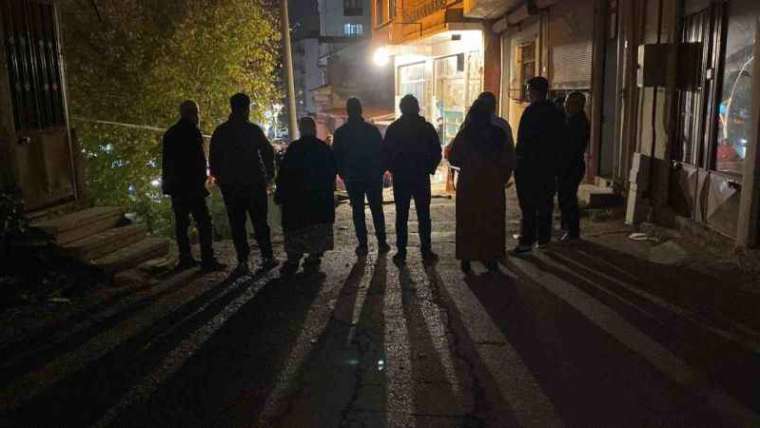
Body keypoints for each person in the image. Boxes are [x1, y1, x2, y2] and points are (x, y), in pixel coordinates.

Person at [209, 93, 277, 274]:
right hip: (254, 183)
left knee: (237, 224)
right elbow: (267, 152)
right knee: (260, 222)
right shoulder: (252, 130)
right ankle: (267, 257)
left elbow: (213, 160)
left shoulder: (220, 132)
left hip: (231, 187)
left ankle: (243, 261)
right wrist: (269, 175)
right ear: (247, 109)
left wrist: (221, 180)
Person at [448, 100, 515, 274]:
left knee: (468, 219)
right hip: (492, 182)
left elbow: (454, 157)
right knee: (491, 218)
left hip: (469, 182)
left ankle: (467, 257)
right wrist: (502, 177)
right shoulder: (498, 133)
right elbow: (508, 157)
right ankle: (491, 256)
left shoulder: (465, 134)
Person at [161, 101, 226, 273]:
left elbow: (166, 164)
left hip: (177, 187)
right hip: (192, 186)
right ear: (193, 114)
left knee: (181, 224)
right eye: (196, 113)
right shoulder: (193, 132)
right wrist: (203, 182)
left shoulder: (171, 133)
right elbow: (198, 161)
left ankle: (185, 258)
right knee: (204, 222)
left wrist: (168, 186)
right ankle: (208, 259)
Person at [382, 94, 442, 265]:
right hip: (421, 177)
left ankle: (401, 252)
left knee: (401, 215)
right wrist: (429, 169)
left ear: (402, 109)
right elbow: (436, 152)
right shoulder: (426, 128)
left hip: (402, 178)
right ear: (417, 108)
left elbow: (385, 153)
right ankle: (426, 250)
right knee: (424, 215)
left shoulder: (394, 128)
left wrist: (394, 169)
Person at [274, 117, 337, 275]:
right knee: (317, 229)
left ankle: (294, 258)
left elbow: (284, 174)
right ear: (314, 129)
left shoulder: (294, 149)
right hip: (319, 199)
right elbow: (331, 172)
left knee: (296, 229)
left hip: (297, 201)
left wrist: (280, 193)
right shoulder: (323, 148)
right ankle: (314, 256)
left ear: (301, 130)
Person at [513, 77, 566, 255]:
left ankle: (526, 242)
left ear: (534, 91)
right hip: (549, 167)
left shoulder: (531, 112)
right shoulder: (556, 112)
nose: (527, 93)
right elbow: (561, 142)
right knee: (545, 203)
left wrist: (517, 162)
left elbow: (523, 142)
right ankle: (543, 239)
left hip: (530, 167)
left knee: (528, 206)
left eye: (528, 90)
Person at [333, 98, 390, 256]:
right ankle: (382, 242)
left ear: (348, 111)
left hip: (353, 177)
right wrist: (380, 170)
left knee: (358, 210)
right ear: (360, 110)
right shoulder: (371, 131)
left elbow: (336, 156)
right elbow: (382, 152)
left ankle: (363, 244)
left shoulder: (341, 133)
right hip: (372, 176)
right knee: (377, 209)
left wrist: (343, 173)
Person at [557, 92, 590, 241]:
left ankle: (572, 231)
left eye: (569, 103)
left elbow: (571, 147)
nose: (565, 105)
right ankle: (567, 228)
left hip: (572, 165)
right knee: (565, 197)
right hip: (569, 164)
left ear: (577, 105)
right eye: (566, 102)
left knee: (568, 198)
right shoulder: (571, 119)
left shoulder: (578, 122)